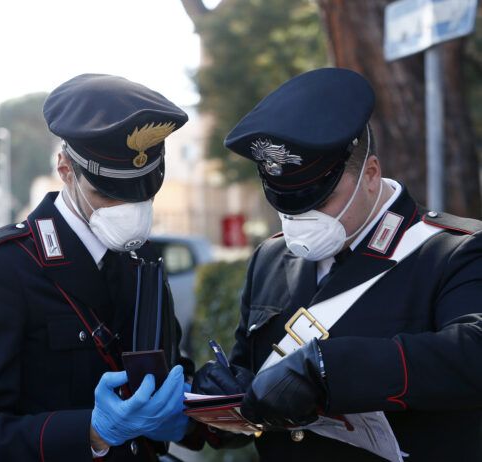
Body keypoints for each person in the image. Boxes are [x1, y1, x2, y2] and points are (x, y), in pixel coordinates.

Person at [193, 68, 482, 461]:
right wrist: (226, 401)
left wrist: (331, 369)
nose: (300, 219)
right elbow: (253, 375)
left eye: (318, 199)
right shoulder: (271, 257)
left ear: (371, 174)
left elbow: (471, 354)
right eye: (285, 203)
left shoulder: (452, 251)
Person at [0, 74, 198, 461]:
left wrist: (201, 412)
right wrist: (93, 433)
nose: (128, 211)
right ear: (65, 168)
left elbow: (168, 370)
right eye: (107, 192)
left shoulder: (142, 259)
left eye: (144, 192)